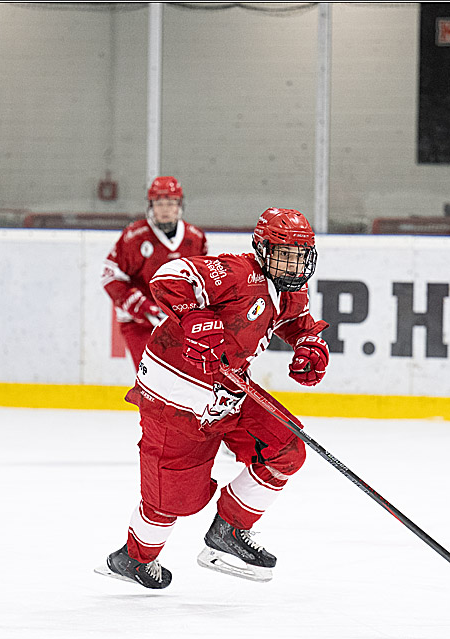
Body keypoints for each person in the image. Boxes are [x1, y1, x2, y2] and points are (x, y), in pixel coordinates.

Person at [98, 207, 330, 588]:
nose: (293, 265)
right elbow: (169, 277)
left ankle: (229, 532)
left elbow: (295, 321)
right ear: (262, 248)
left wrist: (309, 344)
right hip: (177, 395)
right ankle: (134, 559)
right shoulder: (238, 273)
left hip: (229, 390)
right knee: (172, 500)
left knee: (286, 449)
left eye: (300, 254)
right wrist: (192, 317)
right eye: (285, 254)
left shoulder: (287, 287)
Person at [101, 176, 208, 371]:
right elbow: (111, 277)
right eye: (159, 203)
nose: (165, 209)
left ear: (180, 205)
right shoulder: (134, 236)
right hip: (140, 324)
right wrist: (142, 306)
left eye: (171, 203)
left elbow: (202, 283)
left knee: (186, 382)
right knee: (151, 382)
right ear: (151, 206)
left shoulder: (195, 238)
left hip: (181, 323)